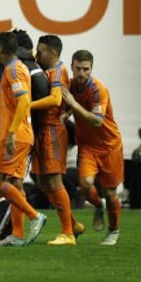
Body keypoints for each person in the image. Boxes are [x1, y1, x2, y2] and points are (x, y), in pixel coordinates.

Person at [0, 31, 47, 247]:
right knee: (15, 184)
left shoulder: (13, 69)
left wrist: (11, 132)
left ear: (1, 49)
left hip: (15, 136)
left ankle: (34, 216)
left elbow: (23, 102)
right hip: (20, 134)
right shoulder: (17, 68)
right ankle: (18, 235)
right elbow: (16, 103)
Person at [61, 49, 123, 245]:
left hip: (109, 145)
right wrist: (67, 112)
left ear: (91, 69)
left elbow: (96, 121)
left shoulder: (98, 89)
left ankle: (113, 230)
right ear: (72, 67)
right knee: (86, 185)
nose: (81, 73)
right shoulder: (69, 86)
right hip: (87, 146)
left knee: (111, 192)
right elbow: (72, 105)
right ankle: (98, 205)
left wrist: (72, 105)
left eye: (86, 69)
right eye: (78, 68)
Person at [30, 35, 83, 246]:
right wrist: (68, 111)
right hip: (43, 131)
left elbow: (55, 99)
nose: (37, 53)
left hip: (52, 131)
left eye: (40, 50)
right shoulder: (48, 71)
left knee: (54, 181)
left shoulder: (58, 70)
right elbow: (68, 98)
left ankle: (68, 234)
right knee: (42, 181)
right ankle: (74, 224)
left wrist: (26, 106)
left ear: (52, 53)